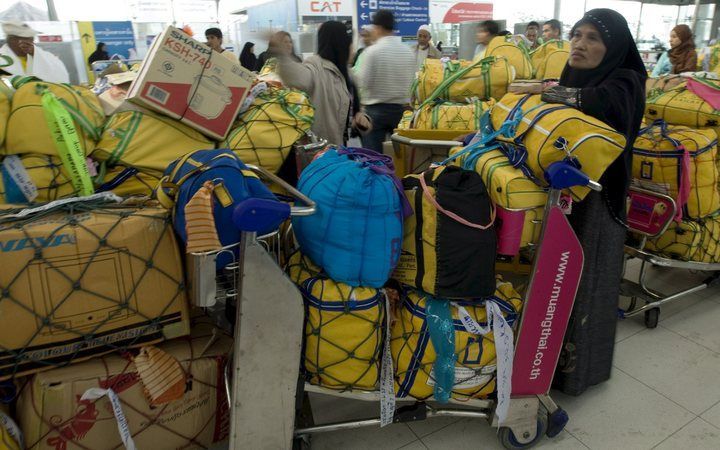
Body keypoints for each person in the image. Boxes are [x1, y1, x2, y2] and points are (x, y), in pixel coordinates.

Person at [540, 9, 647, 396]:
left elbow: (604, 104)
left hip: (600, 198)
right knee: (555, 281)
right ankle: (544, 362)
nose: (580, 44)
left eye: (592, 38)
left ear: (613, 46)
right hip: (565, 193)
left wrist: (544, 92)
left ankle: (580, 372)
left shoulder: (626, 80)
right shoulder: (572, 76)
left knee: (589, 279)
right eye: (576, 35)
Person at [277, 21, 362, 146]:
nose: (353, 50)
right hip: (321, 150)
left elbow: (353, 109)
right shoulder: (315, 67)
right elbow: (297, 77)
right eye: (350, 44)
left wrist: (361, 118)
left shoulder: (347, 73)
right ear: (340, 44)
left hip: (342, 146)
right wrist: (279, 53)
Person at [354, 9, 416, 153]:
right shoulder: (408, 51)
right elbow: (413, 81)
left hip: (375, 111)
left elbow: (363, 82)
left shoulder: (372, 51)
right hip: (402, 110)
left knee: (373, 157)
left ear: (378, 28)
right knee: (401, 156)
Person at [0, 21, 69, 83]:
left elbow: (59, 74)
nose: (30, 42)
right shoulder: (2, 60)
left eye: (32, 39)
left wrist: (34, 54)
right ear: (12, 40)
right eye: (26, 39)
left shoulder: (42, 54)